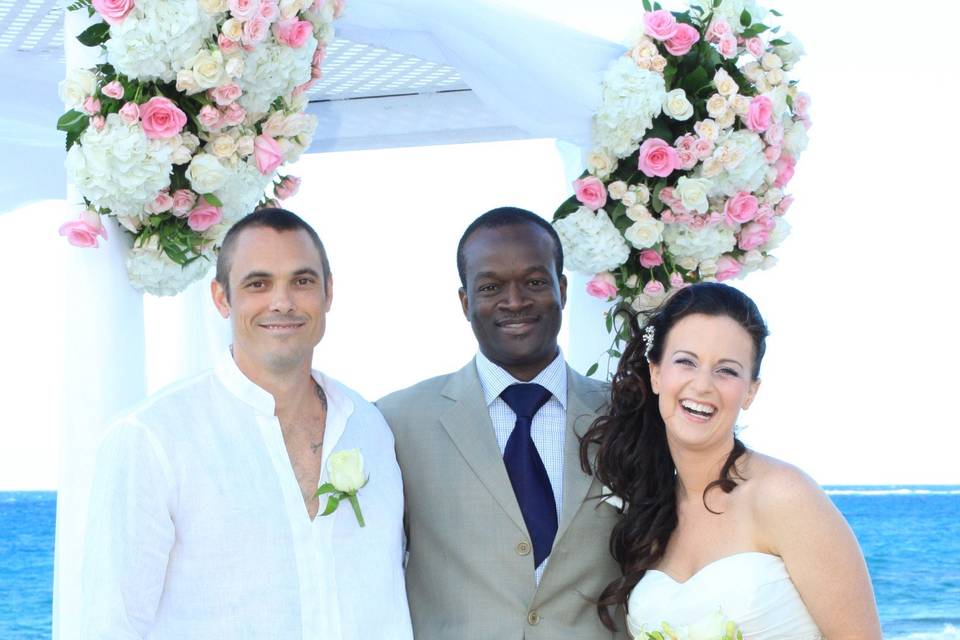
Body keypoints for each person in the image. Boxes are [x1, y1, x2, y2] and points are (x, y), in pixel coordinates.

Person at [81, 208, 413, 639]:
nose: (283, 301)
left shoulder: (370, 427)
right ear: (221, 298)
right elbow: (112, 625)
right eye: (258, 283)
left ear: (329, 293)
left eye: (303, 281)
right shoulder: (152, 438)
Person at [581, 282, 882, 639]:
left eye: (726, 370)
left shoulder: (784, 496)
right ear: (657, 374)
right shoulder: (648, 512)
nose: (702, 384)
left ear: (750, 391)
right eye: (686, 362)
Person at [377, 206, 624, 640]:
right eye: (491, 286)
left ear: (562, 289)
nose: (515, 302)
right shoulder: (396, 423)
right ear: (465, 301)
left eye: (534, 282)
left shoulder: (626, 416)